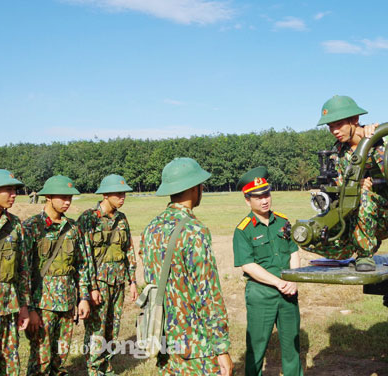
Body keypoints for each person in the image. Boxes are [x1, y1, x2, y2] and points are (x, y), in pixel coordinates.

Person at [140, 158, 232, 375]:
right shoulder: (194, 231)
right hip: (196, 346)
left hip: (163, 338)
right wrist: (221, 348)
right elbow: (208, 294)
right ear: (194, 188)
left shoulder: (151, 228)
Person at [313, 95, 388, 271]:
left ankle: (365, 254)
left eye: (338, 125)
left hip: (387, 214)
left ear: (354, 120)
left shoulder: (384, 138)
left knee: (361, 195)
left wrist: (373, 141)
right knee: (310, 236)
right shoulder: (338, 152)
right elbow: (339, 187)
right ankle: (352, 246)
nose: (334, 131)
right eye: (330, 127)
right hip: (352, 213)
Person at [23, 175, 97, 376]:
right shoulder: (31, 227)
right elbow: (24, 272)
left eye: (70, 197)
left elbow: (82, 266)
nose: (67, 201)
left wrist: (83, 298)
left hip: (67, 303)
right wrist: (29, 309)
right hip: (42, 306)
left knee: (61, 359)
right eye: (63, 197)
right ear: (48, 196)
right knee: (40, 361)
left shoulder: (73, 229)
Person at [233, 166, 303, 376]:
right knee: (257, 347)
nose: (264, 200)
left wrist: (294, 280)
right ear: (248, 200)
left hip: (289, 292)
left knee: (292, 347)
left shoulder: (282, 221)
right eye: (258, 197)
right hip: (262, 295)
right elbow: (248, 266)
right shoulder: (243, 230)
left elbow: (293, 252)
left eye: (267, 194)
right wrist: (278, 282)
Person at [77, 174, 138, 376]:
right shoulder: (88, 218)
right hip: (99, 284)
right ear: (105, 194)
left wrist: (132, 281)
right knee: (97, 329)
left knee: (113, 327)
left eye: (124, 193)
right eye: (118, 193)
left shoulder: (122, 219)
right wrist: (91, 288)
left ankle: (107, 366)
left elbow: (129, 249)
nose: (122, 197)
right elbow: (84, 256)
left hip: (118, 281)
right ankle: (95, 369)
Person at [0, 169, 31, 375]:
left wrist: (23, 306)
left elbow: (22, 269)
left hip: (8, 305)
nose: (14, 194)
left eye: (15, 190)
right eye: (8, 190)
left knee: (10, 365)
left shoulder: (15, 225)